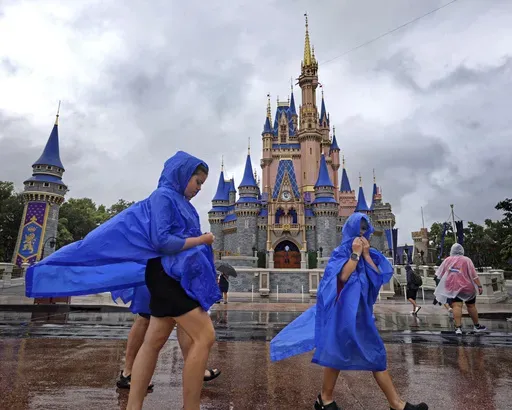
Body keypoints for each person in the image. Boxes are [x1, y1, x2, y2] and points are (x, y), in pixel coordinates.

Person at [25, 151, 221, 410]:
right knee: (204, 336)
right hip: (167, 277)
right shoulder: (163, 197)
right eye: (197, 182)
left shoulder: (180, 201)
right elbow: (162, 241)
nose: (198, 188)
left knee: (154, 341)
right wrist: (202, 240)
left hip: (171, 276)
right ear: (182, 175)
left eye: (202, 184)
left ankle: (133, 406)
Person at [270, 213, 428, 410]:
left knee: (375, 353)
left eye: (365, 228)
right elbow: (342, 277)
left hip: (361, 314)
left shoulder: (370, 253)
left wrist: (367, 255)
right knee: (337, 353)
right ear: (350, 229)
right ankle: (325, 399)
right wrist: (355, 254)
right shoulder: (341, 252)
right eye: (359, 228)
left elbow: (378, 278)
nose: (362, 232)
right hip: (341, 312)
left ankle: (395, 403)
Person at [112, 285, 221, 390]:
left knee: (184, 314)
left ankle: (195, 368)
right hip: (163, 272)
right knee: (146, 316)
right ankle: (128, 371)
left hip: (178, 271)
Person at [433, 243, 487, 335]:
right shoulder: (467, 260)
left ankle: (458, 328)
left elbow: (439, 274)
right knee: (471, 306)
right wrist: (479, 286)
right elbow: (473, 275)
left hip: (452, 288)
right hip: (467, 288)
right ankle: (476, 326)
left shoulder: (447, 260)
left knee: (456, 306)